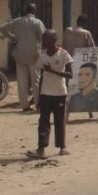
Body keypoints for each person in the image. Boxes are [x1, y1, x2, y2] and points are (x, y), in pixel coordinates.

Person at [27, 30, 73, 158]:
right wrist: (39, 97)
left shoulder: (63, 54)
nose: (44, 42)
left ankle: (62, 146)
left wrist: (52, 71)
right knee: (43, 121)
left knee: (59, 120)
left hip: (59, 92)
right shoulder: (43, 56)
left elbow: (70, 74)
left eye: (46, 39)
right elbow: (42, 76)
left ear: (53, 40)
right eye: (43, 39)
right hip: (46, 93)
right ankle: (41, 148)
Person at [0, 3, 46, 112]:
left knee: (22, 81)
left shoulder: (17, 21)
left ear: (26, 11)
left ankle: (24, 106)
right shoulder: (37, 22)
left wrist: (13, 38)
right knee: (36, 81)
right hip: (34, 55)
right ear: (34, 12)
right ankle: (38, 104)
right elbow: (44, 36)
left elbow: (2, 28)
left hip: (20, 54)